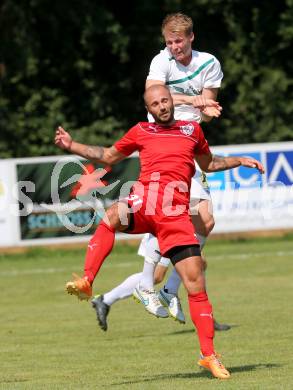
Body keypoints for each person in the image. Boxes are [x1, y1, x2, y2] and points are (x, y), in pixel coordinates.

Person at [55, 84, 264, 379]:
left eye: (165, 100)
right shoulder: (141, 130)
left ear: (171, 102)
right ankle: (88, 280)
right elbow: (108, 156)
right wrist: (73, 145)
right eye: (155, 104)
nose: (162, 106)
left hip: (175, 216)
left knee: (195, 284)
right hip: (144, 204)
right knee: (113, 214)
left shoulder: (192, 131)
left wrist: (239, 161)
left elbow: (210, 163)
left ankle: (209, 356)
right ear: (149, 109)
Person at [92, 12, 228, 328]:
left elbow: (205, 111)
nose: (174, 48)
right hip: (162, 147)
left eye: (179, 41)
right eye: (169, 42)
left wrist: (205, 110)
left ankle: (136, 292)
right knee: (193, 233)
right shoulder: (161, 60)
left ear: (191, 37)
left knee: (202, 225)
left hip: (188, 146)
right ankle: (159, 289)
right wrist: (194, 101)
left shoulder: (210, 64)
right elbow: (156, 93)